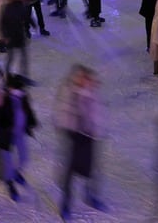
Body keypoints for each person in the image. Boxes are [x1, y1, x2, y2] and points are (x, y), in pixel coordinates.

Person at [55, 64, 107, 216]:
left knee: (92, 169)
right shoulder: (68, 91)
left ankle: (90, 195)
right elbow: (62, 112)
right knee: (69, 172)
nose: (83, 80)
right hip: (73, 136)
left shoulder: (91, 92)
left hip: (88, 136)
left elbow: (98, 112)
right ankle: (66, 203)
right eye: (81, 77)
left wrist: (97, 130)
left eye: (86, 77)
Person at [1, 0, 33, 80]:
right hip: (11, 37)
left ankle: (24, 75)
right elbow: (2, 23)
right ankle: (6, 75)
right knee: (11, 58)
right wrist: (5, 36)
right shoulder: (7, 8)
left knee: (23, 57)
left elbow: (26, 16)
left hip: (19, 35)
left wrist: (33, 23)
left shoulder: (20, 5)